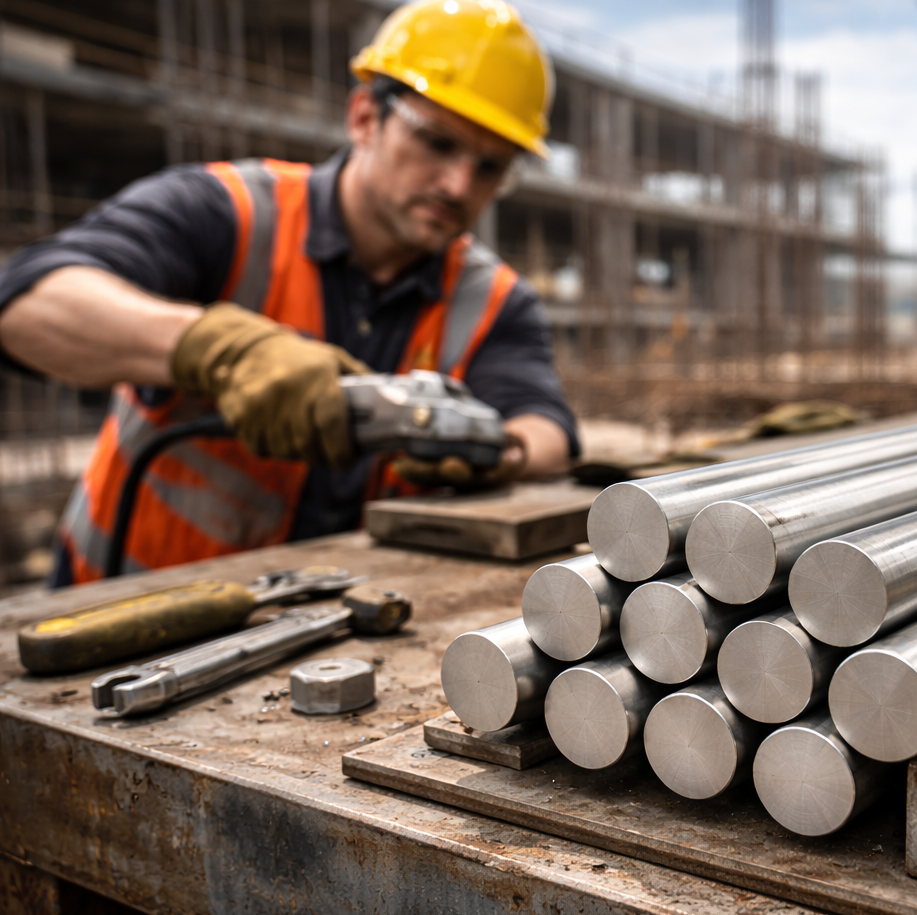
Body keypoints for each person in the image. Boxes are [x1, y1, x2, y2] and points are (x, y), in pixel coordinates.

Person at [0, 0, 577, 586]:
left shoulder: (494, 299)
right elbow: (27, 303)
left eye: (490, 167)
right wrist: (220, 351)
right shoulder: (230, 212)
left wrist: (497, 452)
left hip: (320, 631)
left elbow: (548, 431)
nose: (458, 184)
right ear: (363, 119)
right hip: (112, 619)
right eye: (437, 142)